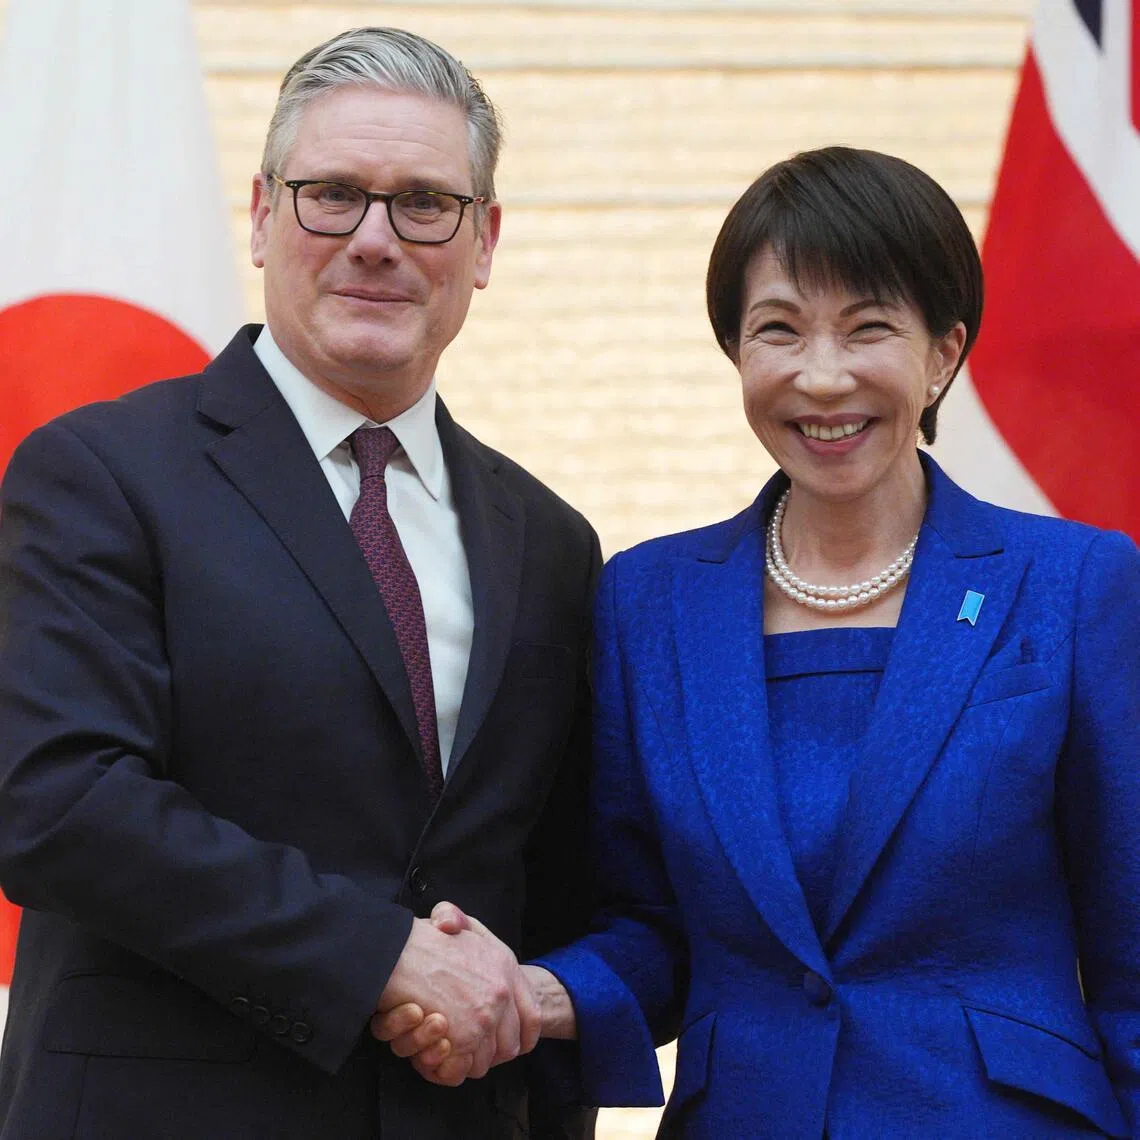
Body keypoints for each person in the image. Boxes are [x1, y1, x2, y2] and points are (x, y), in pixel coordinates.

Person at [382, 147, 1140, 1137]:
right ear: (737, 351)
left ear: (944, 354)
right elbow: (649, 923)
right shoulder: (647, 601)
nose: (821, 378)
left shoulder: (1073, 584)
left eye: (868, 329)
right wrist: (533, 996)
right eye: (779, 330)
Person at [0, 26, 599, 1140]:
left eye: (425, 203)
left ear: (484, 242)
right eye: (333, 195)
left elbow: (552, 883)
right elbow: (60, 801)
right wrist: (382, 956)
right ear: (264, 213)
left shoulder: (552, 541)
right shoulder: (99, 473)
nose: (376, 239)